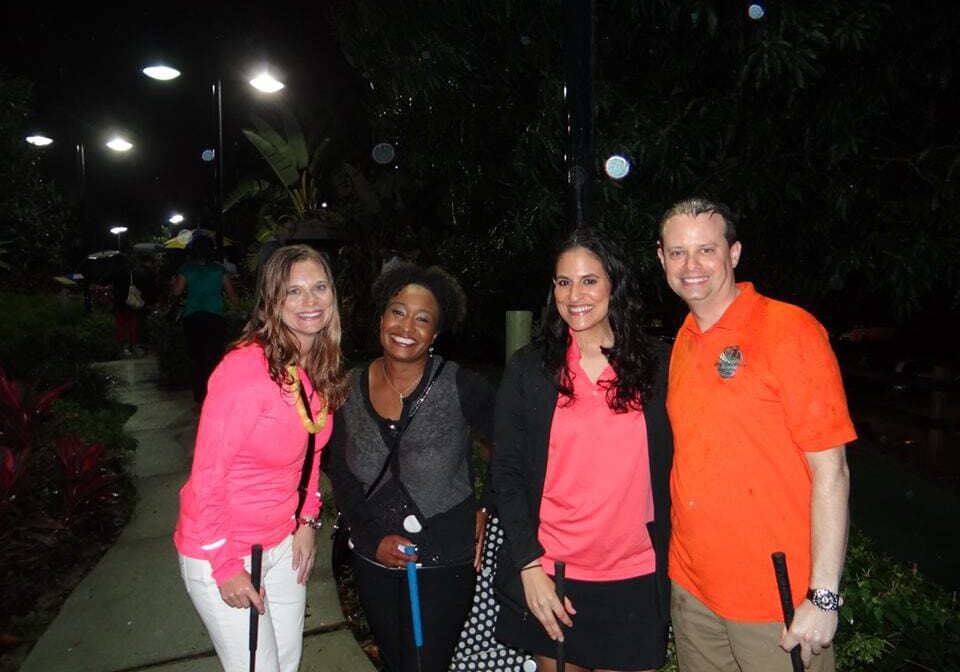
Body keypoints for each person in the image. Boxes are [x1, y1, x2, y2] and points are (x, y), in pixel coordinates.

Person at [656, 197, 855, 672]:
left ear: (735, 253)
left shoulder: (789, 330)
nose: (692, 265)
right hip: (692, 590)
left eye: (706, 249)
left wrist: (823, 598)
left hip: (777, 603)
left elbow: (833, 471)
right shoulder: (682, 340)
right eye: (678, 252)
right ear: (661, 259)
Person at [493, 229, 673, 672]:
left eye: (589, 280)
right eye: (563, 282)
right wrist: (528, 566)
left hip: (636, 574)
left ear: (615, 283)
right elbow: (507, 474)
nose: (575, 295)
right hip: (554, 575)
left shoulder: (658, 365)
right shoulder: (530, 370)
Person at [174, 244, 349, 672]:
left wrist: (307, 521)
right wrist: (224, 564)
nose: (310, 301)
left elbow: (312, 453)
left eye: (319, 287)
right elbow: (206, 479)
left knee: (285, 664)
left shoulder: (317, 365)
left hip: (283, 544)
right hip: (228, 547)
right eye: (294, 291)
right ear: (272, 301)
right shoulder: (245, 370)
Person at [327, 263, 495, 672]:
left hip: (443, 554)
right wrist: (370, 536)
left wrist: (487, 506)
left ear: (435, 335)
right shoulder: (348, 387)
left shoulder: (461, 385)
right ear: (381, 319)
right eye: (398, 312)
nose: (407, 326)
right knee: (394, 659)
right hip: (372, 552)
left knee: (425, 664)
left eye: (423, 319)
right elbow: (340, 468)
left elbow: (513, 448)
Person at [172, 234, 240, 403]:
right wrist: (240, 309)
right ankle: (214, 391)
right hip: (215, 316)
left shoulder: (186, 269)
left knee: (196, 357)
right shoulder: (218, 270)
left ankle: (199, 394)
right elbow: (231, 294)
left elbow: (177, 292)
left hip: (192, 317)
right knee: (215, 356)